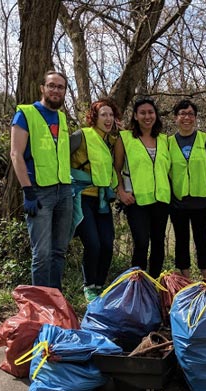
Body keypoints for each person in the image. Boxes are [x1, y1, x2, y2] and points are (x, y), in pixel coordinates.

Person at [10, 70, 72, 291]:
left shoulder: (62, 117)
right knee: (42, 253)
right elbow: (16, 154)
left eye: (61, 87)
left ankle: (55, 298)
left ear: (65, 91)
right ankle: (40, 303)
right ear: (42, 88)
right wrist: (28, 191)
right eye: (52, 85)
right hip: (38, 191)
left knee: (58, 251)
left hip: (64, 191)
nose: (56, 90)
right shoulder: (25, 114)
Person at [70, 98, 121, 301]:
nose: (108, 119)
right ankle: (89, 286)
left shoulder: (111, 141)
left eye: (111, 115)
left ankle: (100, 286)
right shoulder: (81, 135)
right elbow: (61, 158)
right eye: (103, 115)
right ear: (94, 117)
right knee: (93, 244)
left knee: (107, 244)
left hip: (101, 200)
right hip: (82, 198)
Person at [168, 99, 206, 280]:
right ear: (175, 118)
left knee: (201, 240)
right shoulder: (168, 142)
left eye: (191, 114)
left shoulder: (205, 139)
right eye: (182, 114)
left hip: (200, 201)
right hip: (177, 202)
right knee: (181, 241)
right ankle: (186, 280)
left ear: (195, 118)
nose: (187, 118)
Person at [114, 97, 171, 279]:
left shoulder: (164, 140)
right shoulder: (125, 138)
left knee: (158, 245)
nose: (147, 116)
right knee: (141, 243)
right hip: (136, 200)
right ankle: (136, 285)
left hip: (161, 200)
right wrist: (121, 192)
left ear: (156, 115)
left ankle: (154, 285)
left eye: (150, 112)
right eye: (143, 113)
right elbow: (115, 168)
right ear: (136, 116)